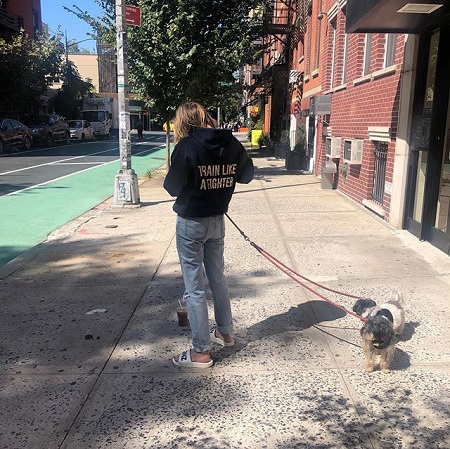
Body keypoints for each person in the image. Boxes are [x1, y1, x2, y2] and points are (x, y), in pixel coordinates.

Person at [163, 102, 254, 368]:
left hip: (191, 222)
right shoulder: (231, 143)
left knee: (195, 289)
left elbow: (171, 187)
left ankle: (201, 351)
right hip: (217, 221)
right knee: (218, 279)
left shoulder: (187, 146)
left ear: (184, 122)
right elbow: (247, 175)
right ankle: (225, 332)